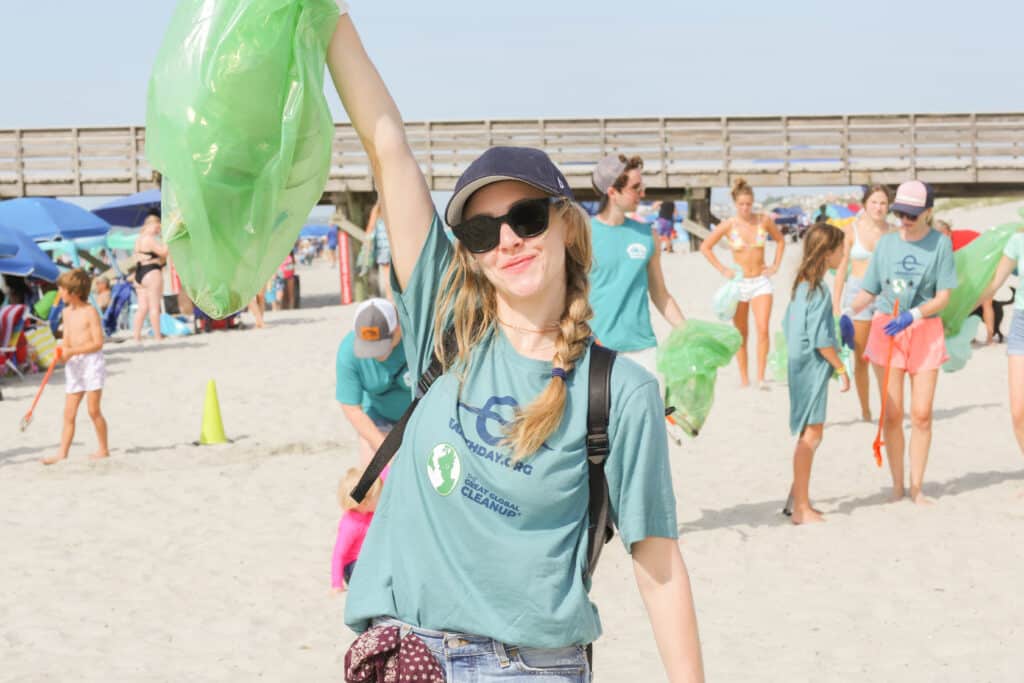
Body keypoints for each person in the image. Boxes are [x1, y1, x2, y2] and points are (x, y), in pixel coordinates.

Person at [326, 9, 703, 680]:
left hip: (530, 667)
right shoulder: (447, 332)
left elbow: (658, 563)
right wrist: (327, 18)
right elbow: (388, 143)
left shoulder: (619, 391)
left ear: (567, 226)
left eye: (526, 217)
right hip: (406, 655)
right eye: (480, 232)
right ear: (467, 254)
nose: (506, 241)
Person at [841, 181, 958, 505]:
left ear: (927, 213)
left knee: (921, 414)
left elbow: (944, 296)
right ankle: (897, 486)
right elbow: (870, 289)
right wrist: (848, 312)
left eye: (911, 214)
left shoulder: (940, 244)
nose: (904, 219)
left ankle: (917, 486)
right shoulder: (887, 244)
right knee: (892, 414)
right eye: (900, 213)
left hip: (924, 329)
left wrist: (916, 314)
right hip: (886, 328)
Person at [589, 154, 685, 369]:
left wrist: (685, 330)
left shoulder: (646, 235)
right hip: (595, 351)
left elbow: (660, 293)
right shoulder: (582, 235)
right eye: (636, 187)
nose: (643, 193)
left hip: (643, 349)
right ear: (613, 192)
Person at [783, 223, 850, 524]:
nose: (844, 254)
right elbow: (821, 338)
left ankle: (794, 500)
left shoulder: (801, 284)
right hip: (811, 367)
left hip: (797, 365)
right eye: (841, 249)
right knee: (812, 435)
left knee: (805, 434)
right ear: (828, 252)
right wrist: (840, 368)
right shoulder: (819, 289)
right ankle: (800, 508)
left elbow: (789, 326)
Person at [700, 178, 784, 388]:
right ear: (735, 204)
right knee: (741, 333)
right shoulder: (729, 225)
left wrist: (775, 265)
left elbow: (781, 240)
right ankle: (744, 379)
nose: (745, 208)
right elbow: (705, 247)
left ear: (753, 202)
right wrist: (723, 269)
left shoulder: (763, 221)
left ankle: (762, 377)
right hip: (739, 284)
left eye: (749, 204)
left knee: (763, 328)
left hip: (761, 282)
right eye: (741, 204)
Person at [831, 185, 892, 421]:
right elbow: (840, 270)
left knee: (885, 358)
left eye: (883, 203)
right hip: (857, 294)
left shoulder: (894, 232)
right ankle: (866, 410)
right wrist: (837, 304)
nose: (878, 207)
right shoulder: (850, 231)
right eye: (874, 202)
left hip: (885, 295)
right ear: (865, 204)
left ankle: (888, 406)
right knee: (862, 358)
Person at [42, 269, 108, 465]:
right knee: (69, 413)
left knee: (93, 410)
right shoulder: (66, 312)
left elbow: (98, 343)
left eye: (62, 290)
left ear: (75, 292)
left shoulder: (90, 312)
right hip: (74, 364)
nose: (59, 293)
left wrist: (73, 351)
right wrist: (62, 353)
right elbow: (67, 340)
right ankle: (62, 452)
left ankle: (103, 448)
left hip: (91, 363)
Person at [335, 298, 411, 465]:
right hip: (378, 418)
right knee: (375, 479)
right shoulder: (348, 352)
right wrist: (386, 452)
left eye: (380, 345)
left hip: (419, 418)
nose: (374, 353)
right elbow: (352, 409)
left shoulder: (416, 341)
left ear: (397, 330)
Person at [978, 228, 1024, 462]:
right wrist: (958, 311)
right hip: (1021, 324)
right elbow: (993, 283)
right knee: (1019, 412)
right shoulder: (1018, 240)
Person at [331, 466, 386, 592]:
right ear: (365, 502)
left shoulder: (372, 513)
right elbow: (339, 555)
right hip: (354, 566)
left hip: (371, 559)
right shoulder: (351, 525)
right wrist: (336, 585)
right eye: (379, 495)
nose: (383, 498)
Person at [131, 211, 167, 342]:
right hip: (151, 272)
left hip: (139, 273)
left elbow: (136, 257)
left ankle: (136, 337)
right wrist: (167, 240)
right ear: (151, 225)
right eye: (157, 227)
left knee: (142, 308)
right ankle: (158, 336)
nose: (158, 230)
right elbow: (164, 252)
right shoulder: (149, 239)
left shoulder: (138, 239)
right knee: (154, 307)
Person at [366, 200, 393, 300]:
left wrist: (367, 244)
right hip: (394, 248)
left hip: (382, 249)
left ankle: (390, 298)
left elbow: (371, 227)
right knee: (396, 275)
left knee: (387, 276)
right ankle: (395, 298)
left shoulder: (377, 209)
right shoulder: (392, 209)